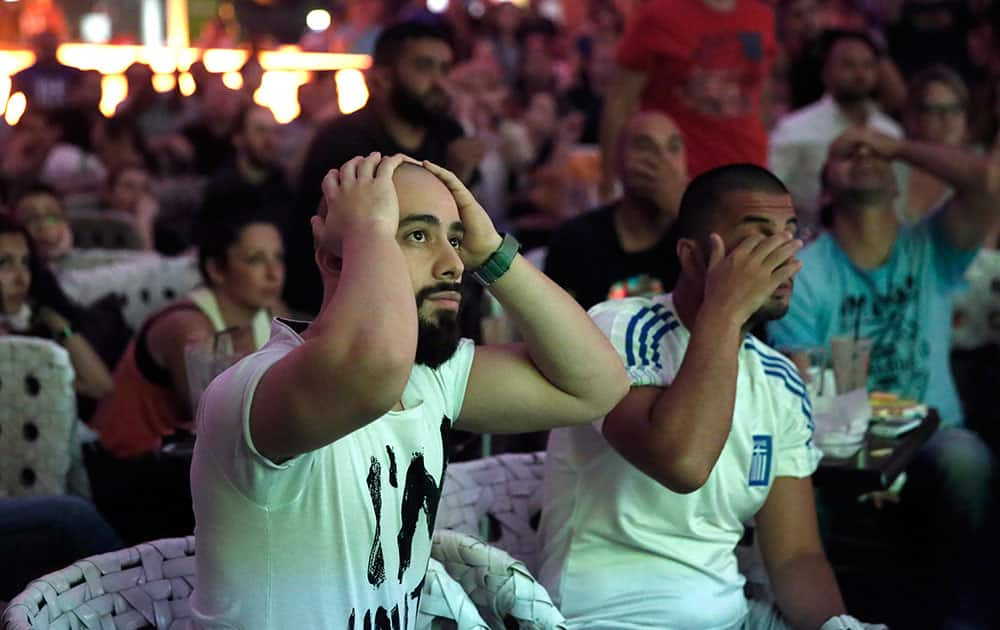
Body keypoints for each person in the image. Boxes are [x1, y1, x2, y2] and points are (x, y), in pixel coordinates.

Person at [189, 153, 629, 627]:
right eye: (417, 235)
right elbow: (373, 370)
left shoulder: (429, 377)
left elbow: (599, 386)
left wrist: (492, 254)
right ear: (336, 256)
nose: (453, 264)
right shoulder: (255, 389)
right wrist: (366, 232)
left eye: (456, 240)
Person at [538, 164, 877, 629]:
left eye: (791, 236)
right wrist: (727, 310)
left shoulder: (780, 380)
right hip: (605, 618)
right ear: (693, 258)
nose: (787, 258)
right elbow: (681, 461)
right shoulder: (619, 329)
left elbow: (796, 556)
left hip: (731, 617)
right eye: (759, 239)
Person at [768, 127, 1000, 628]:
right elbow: (801, 389)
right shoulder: (802, 272)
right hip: (839, 448)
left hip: (932, 437)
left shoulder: (932, 246)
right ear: (826, 183)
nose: (863, 153)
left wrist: (898, 145)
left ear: (898, 181)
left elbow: (986, 180)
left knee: (967, 459)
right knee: (797, 496)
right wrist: (862, 461)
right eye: (845, 152)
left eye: (874, 151)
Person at [86, 210, 284, 544]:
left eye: (278, 258)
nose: (273, 272)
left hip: (193, 469)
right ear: (216, 269)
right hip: (132, 477)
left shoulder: (268, 314)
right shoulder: (188, 327)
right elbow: (221, 422)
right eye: (255, 259)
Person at [286, 20, 485, 315]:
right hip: (355, 308)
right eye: (424, 67)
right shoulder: (344, 142)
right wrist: (450, 171)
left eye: (444, 69)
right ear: (382, 78)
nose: (440, 82)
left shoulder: (448, 133)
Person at [599, 0, 777, 196]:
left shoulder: (761, 16)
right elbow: (619, 105)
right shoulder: (658, 16)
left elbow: (761, 94)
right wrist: (610, 184)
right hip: (677, 183)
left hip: (747, 178)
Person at [545, 110, 687, 309]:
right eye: (645, 146)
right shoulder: (575, 239)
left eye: (673, 147)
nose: (661, 159)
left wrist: (681, 209)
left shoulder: (697, 241)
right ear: (616, 160)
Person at [769, 30, 902, 231]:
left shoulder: (890, 131)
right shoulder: (795, 129)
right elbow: (768, 194)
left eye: (867, 65)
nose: (860, 74)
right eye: (848, 65)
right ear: (826, 72)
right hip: (807, 243)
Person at [0, 214, 112, 401]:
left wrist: (59, 325)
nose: (22, 279)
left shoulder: (34, 323)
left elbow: (100, 386)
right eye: (5, 264)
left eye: (25, 263)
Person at [195, 105, 292, 239]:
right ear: (238, 138)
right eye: (260, 131)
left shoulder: (286, 186)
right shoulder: (220, 189)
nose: (270, 140)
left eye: (275, 131)